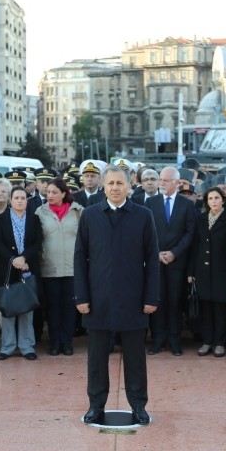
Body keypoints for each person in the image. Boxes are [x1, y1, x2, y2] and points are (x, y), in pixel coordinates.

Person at [76, 166, 159, 425]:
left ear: (128, 186)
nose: (114, 187)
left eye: (119, 183)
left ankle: (138, 405)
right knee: (97, 359)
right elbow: (80, 258)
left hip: (133, 299)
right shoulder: (90, 215)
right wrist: (81, 296)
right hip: (98, 299)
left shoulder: (143, 216)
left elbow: (152, 260)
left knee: (135, 357)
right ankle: (96, 404)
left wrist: (151, 298)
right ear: (103, 186)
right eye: (110, 183)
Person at [145, 167, 196, 355]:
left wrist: (174, 253)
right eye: (161, 180)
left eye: (166, 180)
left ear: (177, 182)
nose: (162, 183)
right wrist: (157, 253)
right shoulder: (151, 203)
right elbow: (147, 232)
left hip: (177, 262)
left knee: (175, 301)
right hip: (155, 261)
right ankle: (158, 339)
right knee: (157, 300)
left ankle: (174, 340)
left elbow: (190, 233)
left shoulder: (187, 205)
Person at [186, 187, 226, 357]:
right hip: (202, 271)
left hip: (222, 272)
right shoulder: (201, 219)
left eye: (216, 198)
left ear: (223, 200)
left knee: (221, 308)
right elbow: (195, 247)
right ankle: (207, 341)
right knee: (205, 308)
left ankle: (220, 342)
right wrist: (191, 271)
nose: (213, 201)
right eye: (210, 199)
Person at [0, 187, 42, 360]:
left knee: (27, 308)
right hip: (7, 269)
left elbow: (38, 242)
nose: (20, 200)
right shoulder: (0, 220)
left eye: (23, 198)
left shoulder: (34, 219)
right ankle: (7, 346)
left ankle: (26, 346)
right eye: (16, 198)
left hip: (28, 268)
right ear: (10, 200)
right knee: (8, 308)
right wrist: (14, 259)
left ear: (27, 201)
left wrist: (25, 258)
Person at [36, 178, 84, 355]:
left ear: (64, 193)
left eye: (54, 192)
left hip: (72, 268)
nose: (50, 195)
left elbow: (85, 238)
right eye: (48, 192)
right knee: (53, 307)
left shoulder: (78, 211)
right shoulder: (40, 212)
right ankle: (54, 342)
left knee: (70, 307)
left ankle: (67, 342)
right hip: (49, 267)